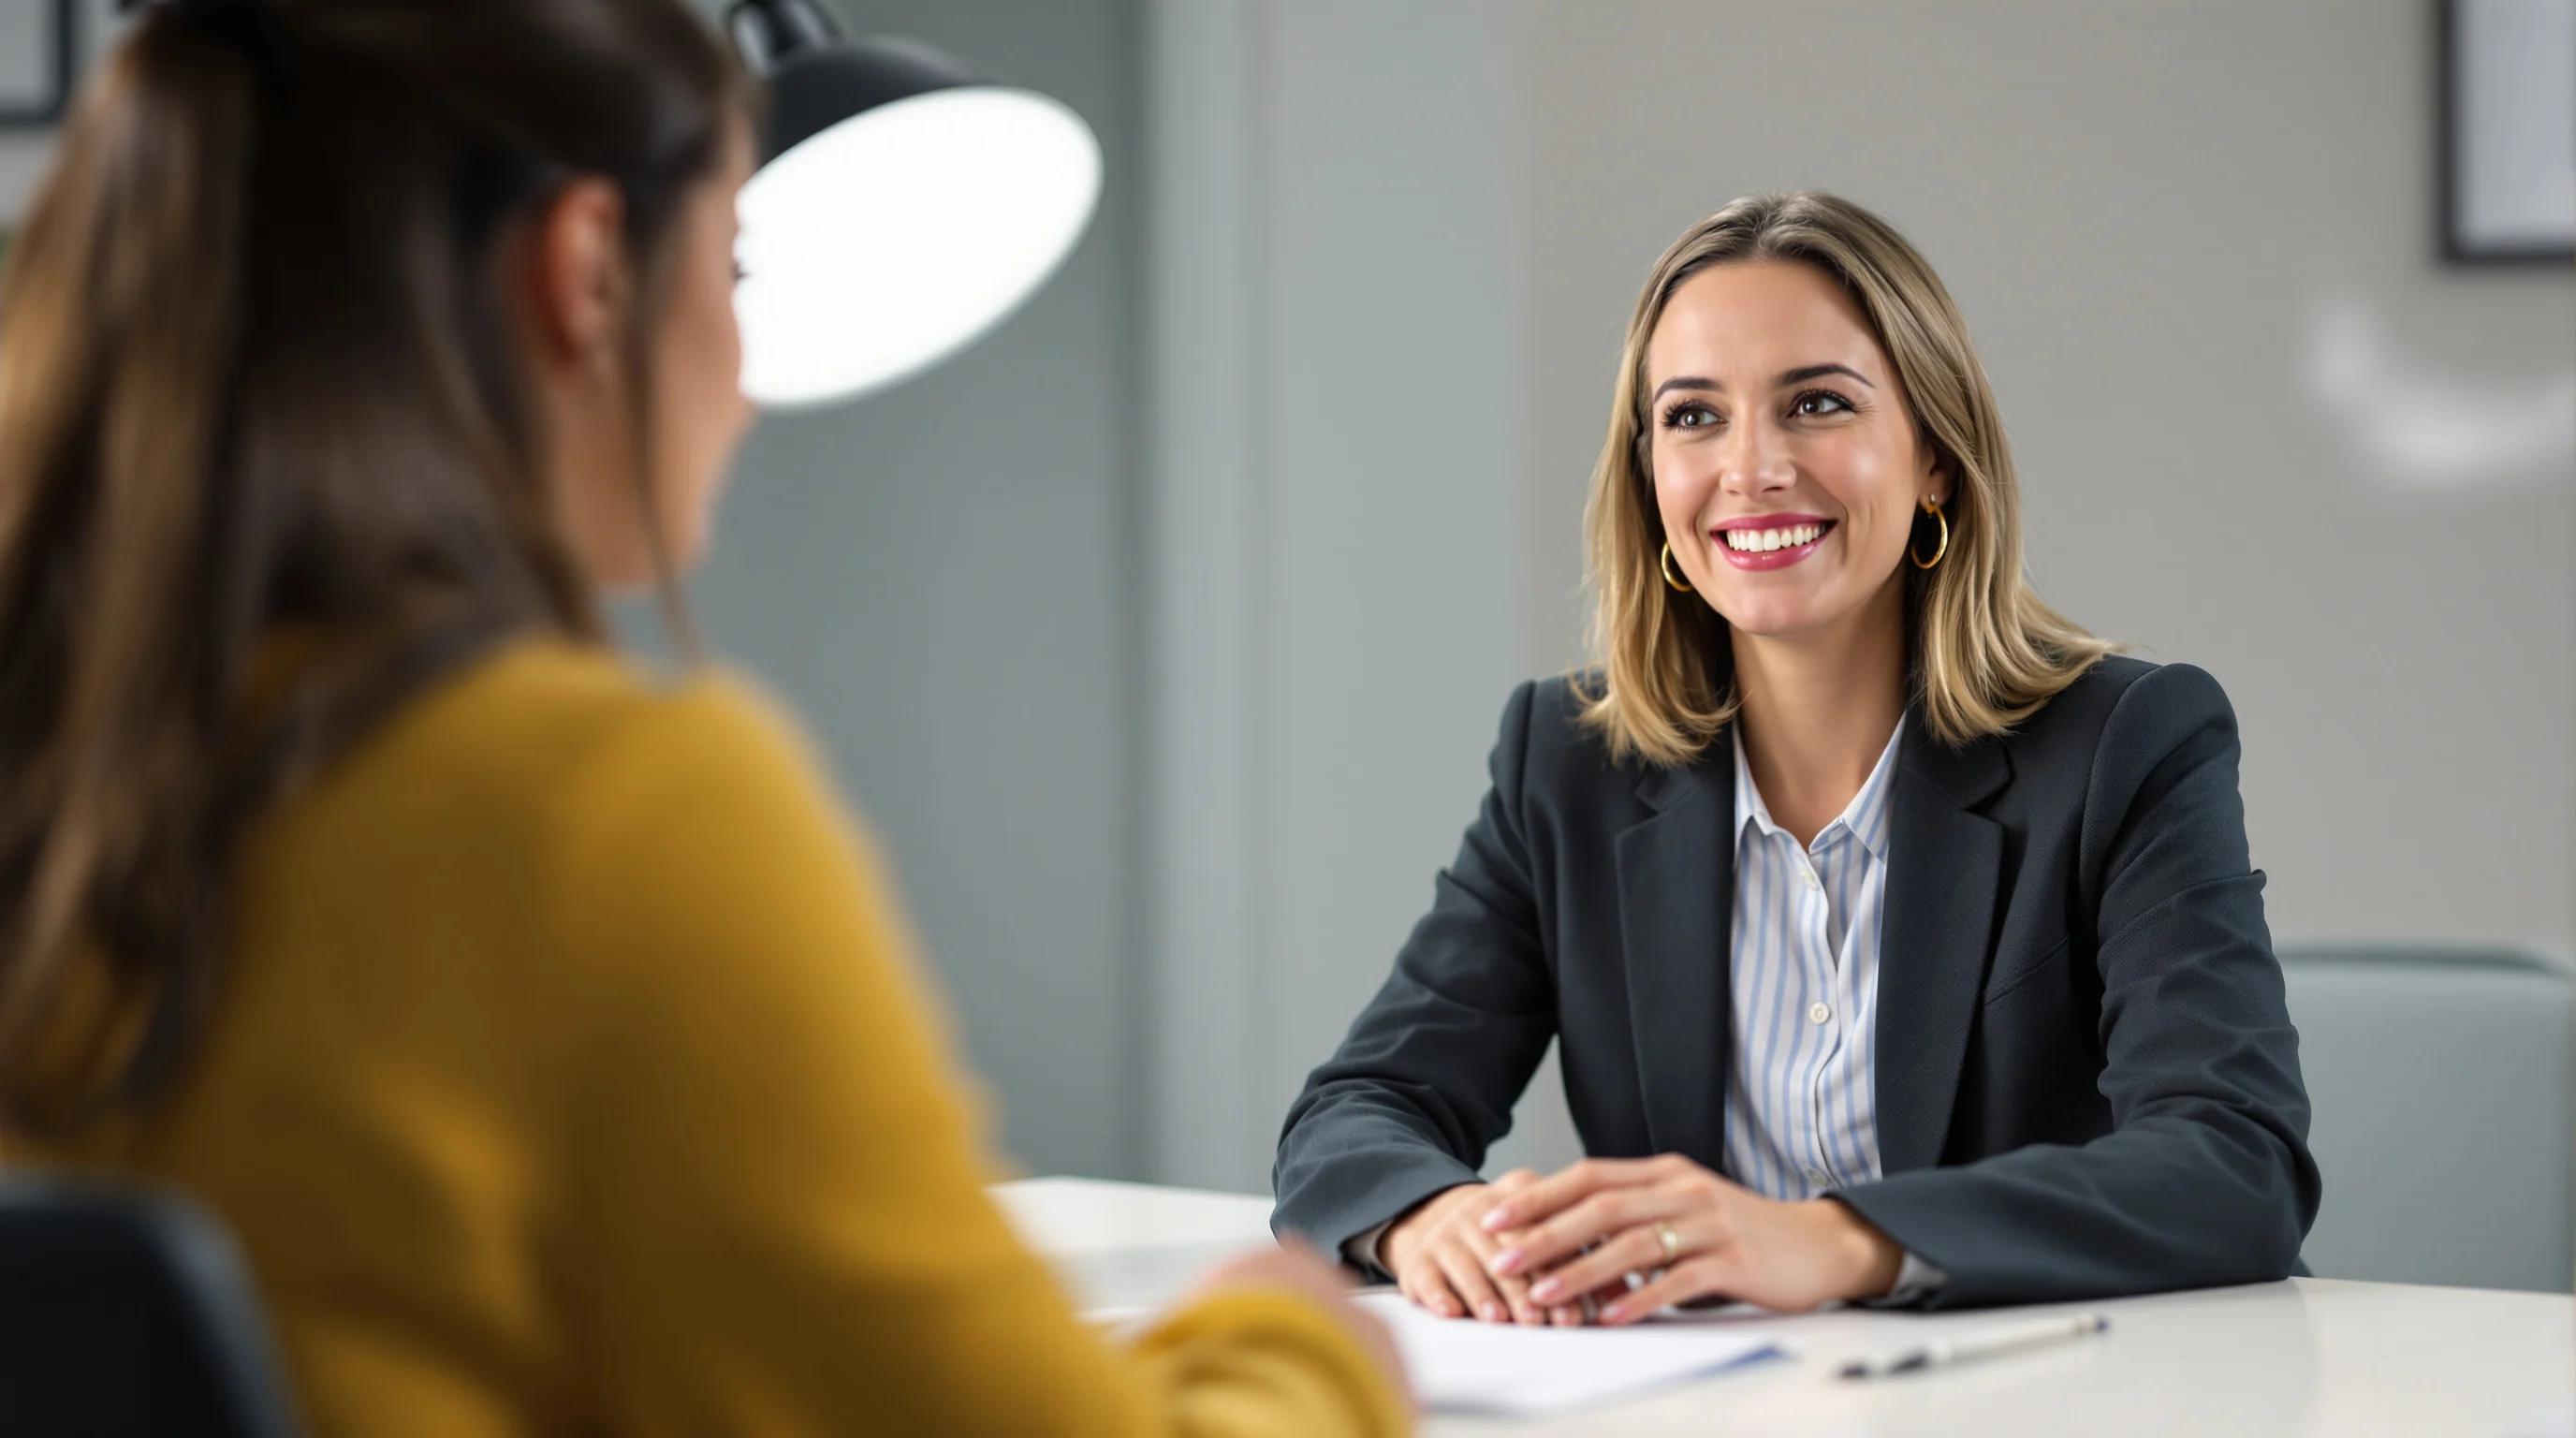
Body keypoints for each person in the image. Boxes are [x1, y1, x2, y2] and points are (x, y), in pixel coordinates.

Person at [0, 0, 1405, 1431]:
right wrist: (1293, 1344)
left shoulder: (61, 775)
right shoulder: (594, 817)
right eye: (735, 261)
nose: (744, 373)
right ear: (587, 267)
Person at [1272, 191, 2320, 1321]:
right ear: (1648, 479)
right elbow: (1358, 1112)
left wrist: (1836, 1243)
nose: (1752, 468)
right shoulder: (1566, 766)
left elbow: (2235, 1162)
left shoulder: (2127, 742)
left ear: (1933, 458)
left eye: (1815, 404)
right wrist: (1431, 1219)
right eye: (1692, 417)